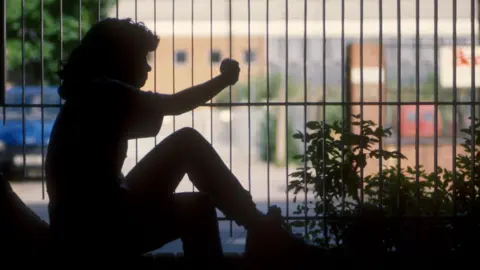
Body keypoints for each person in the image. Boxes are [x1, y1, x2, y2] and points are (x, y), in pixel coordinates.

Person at [45, 18, 318, 267]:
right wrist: (224, 80)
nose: (148, 66)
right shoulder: (106, 92)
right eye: (142, 57)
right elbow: (175, 105)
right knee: (190, 164)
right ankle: (261, 230)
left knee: (188, 159)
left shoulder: (89, 97)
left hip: (86, 225)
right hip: (99, 232)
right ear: (120, 58)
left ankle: (259, 228)